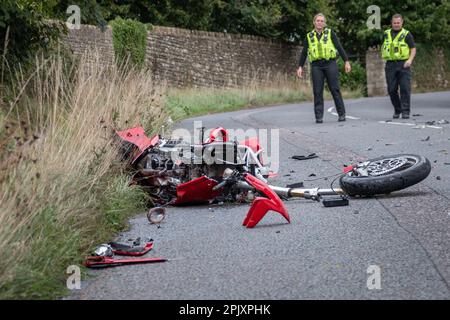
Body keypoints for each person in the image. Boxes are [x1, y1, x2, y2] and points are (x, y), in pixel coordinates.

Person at [296, 13, 351, 123]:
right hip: (316, 66)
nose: (320, 22)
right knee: (317, 91)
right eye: (318, 21)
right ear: (314, 22)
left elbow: (339, 47)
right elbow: (304, 53)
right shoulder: (309, 36)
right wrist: (300, 66)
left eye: (322, 21)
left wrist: (346, 61)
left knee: (335, 89)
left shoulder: (330, 33)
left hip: (330, 63)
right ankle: (319, 116)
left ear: (324, 23)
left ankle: (341, 114)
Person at [382, 14, 416, 119]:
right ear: (391, 23)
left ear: (402, 22)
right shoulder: (386, 34)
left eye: (398, 23)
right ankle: (397, 109)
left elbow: (413, 49)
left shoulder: (406, 34)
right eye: (394, 23)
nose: (396, 24)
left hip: (403, 64)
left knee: (405, 88)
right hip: (390, 64)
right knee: (391, 90)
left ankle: (405, 111)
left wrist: (410, 60)